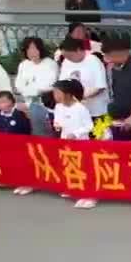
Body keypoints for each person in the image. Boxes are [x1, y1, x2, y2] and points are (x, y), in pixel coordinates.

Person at [51, 79, 95, 207]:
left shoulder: (80, 108)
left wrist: (75, 134)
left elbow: (89, 126)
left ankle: (90, 195)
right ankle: (73, 188)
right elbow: (57, 120)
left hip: (80, 143)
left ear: (68, 94)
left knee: (83, 168)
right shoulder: (58, 107)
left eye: (58, 93)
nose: (55, 95)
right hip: (65, 142)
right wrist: (57, 125)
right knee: (69, 166)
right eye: (54, 93)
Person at [14, 37, 58, 136]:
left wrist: (29, 88)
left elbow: (49, 85)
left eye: (34, 48)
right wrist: (30, 89)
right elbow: (18, 85)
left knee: (42, 133)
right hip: (26, 103)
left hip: (44, 104)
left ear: (40, 49)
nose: (31, 52)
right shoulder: (23, 65)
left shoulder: (50, 64)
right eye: (28, 49)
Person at [57, 39, 108, 120]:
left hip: (96, 111)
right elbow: (62, 84)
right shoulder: (66, 62)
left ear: (78, 50)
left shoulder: (93, 61)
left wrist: (79, 97)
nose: (68, 59)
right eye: (65, 57)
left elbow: (100, 87)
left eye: (70, 56)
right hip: (76, 111)